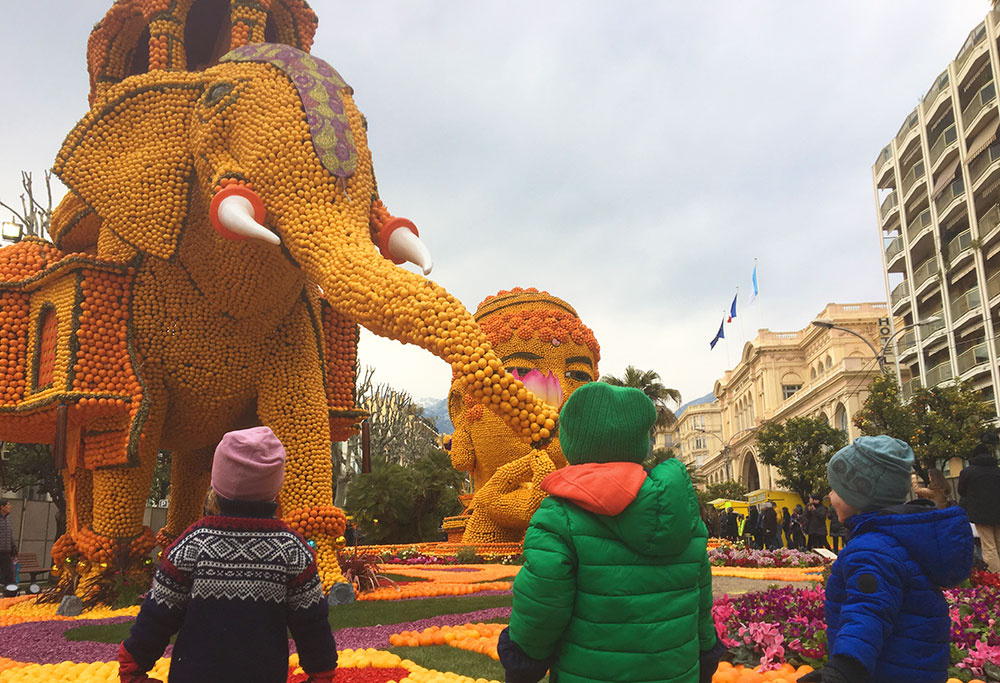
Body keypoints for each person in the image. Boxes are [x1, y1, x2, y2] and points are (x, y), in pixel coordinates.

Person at [497, 383, 725, 683]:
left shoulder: (559, 515)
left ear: (573, 442)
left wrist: (523, 663)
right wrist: (706, 657)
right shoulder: (681, 512)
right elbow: (700, 604)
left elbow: (542, 608)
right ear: (639, 443)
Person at [118, 427, 338, 683]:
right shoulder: (292, 550)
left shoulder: (193, 543)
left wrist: (133, 666)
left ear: (217, 481)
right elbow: (312, 625)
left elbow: (158, 616)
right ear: (276, 485)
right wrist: (321, 673)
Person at [798, 436, 972, 683]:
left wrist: (843, 669)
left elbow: (867, 610)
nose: (829, 494)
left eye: (836, 488)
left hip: (885, 672)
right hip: (912, 667)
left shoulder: (871, 550)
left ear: (859, 495)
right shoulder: (893, 538)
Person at [958, 442, 1000, 573]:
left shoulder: (967, 472)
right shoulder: (997, 470)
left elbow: (961, 491)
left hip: (981, 513)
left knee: (989, 546)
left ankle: (996, 577)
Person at [0, 501, 16, 587]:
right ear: (2, 507)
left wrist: (13, 546)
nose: (10, 507)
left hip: (6, 551)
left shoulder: (7, 518)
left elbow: (10, 534)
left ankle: (10, 591)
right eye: (8, 505)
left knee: (9, 574)